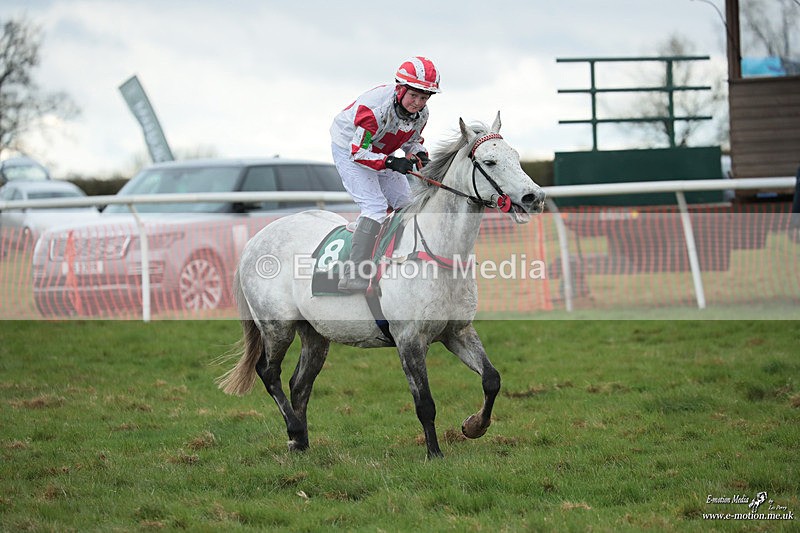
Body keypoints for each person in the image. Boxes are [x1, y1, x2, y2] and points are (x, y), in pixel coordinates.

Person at [330, 56, 440, 291]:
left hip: (380, 150)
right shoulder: (375, 110)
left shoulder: (422, 114)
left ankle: (397, 260)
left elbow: (412, 141)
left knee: (407, 206)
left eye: (424, 98)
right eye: (414, 95)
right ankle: (354, 274)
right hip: (349, 148)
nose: (418, 103)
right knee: (375, 207)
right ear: (400, 89)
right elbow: (359, 152)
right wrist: (391, 161)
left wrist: (420, 155)